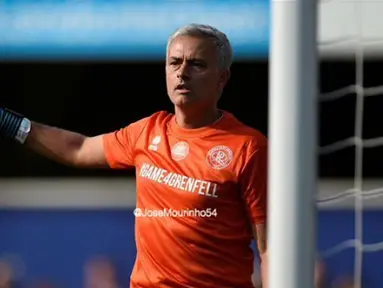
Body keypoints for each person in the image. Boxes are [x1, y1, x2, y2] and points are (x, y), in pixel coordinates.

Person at [0, 24, 268, 288]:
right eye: (174, 62)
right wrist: (11, 124)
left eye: (197, 64)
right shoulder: (146, 132)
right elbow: (78, 149)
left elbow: (271, 246)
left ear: (223, 78)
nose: (182, 73)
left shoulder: (247, 147)